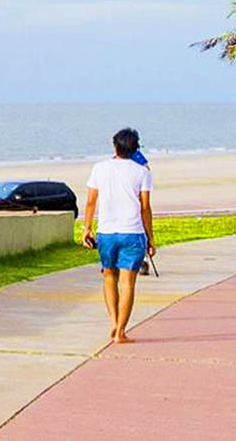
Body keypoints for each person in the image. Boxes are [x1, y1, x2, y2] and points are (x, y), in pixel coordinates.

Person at [83, 128, 154, 344]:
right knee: (127, 283)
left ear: (115, 146)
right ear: (135, 149)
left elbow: (90, 202)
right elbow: (145, 208)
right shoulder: (142, 172)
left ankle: (113, 321)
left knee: (108, 277)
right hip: (132, 233)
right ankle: (121, 331)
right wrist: (151, 238)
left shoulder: (99, 168)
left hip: (106, 232)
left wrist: (87, 228)